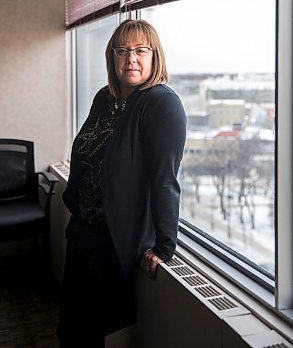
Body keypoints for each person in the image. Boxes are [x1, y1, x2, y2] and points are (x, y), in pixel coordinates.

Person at [57, 19, 187, 347]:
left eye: (141, 50)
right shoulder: (105, 99)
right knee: (72, 328)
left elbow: (164, 180)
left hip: (113, 241)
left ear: (154, 56)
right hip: (83, 231)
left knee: (95, 332)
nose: (131, 58)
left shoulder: (162, 104)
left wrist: (165, 244)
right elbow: (86, 152)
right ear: (111, 58)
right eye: (122, 50)